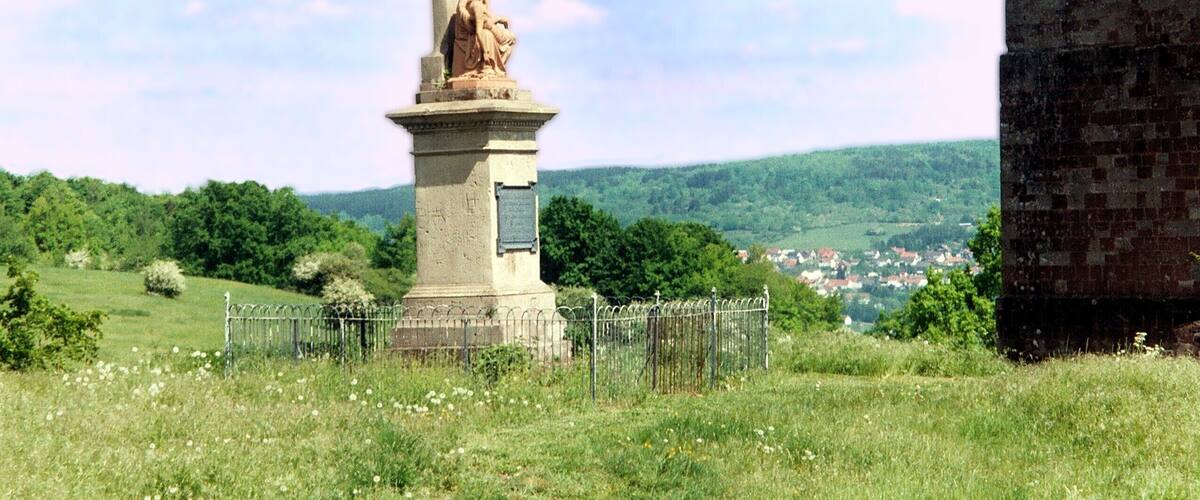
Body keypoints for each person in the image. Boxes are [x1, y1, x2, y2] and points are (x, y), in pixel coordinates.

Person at [451, 0, 516, 80]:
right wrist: (470, 19)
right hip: (482, 29)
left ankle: (496, 68)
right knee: (488, 35)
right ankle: (491, 67)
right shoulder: (476, 6)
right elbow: (478, 30)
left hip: (488, 26)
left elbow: (487, 15)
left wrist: (498, 18)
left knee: (511, 40)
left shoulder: (481, 4)